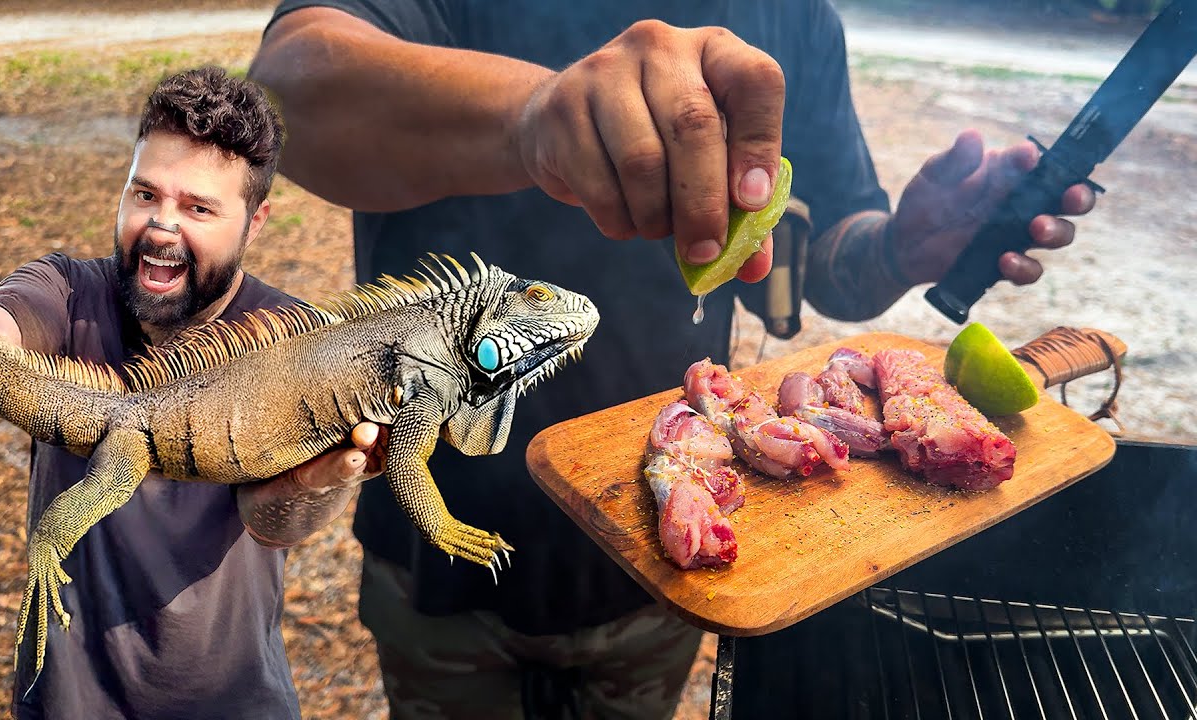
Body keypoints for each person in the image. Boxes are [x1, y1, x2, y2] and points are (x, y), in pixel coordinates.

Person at [250, 2, 1096, 718]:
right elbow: (291, 84)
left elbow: (830, 257)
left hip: (667, 568)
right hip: (445, 554)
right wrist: (536, 115)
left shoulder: (790, 15)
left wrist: (903, 250)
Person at [0, 66, 382, 719]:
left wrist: (316, 482)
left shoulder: (298, 342)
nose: (162, 226)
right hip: (68, 702)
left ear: (256, 221)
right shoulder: (68, 289)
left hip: (232, 700)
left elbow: (274, 524)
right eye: (145, 194)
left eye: (197, 207)